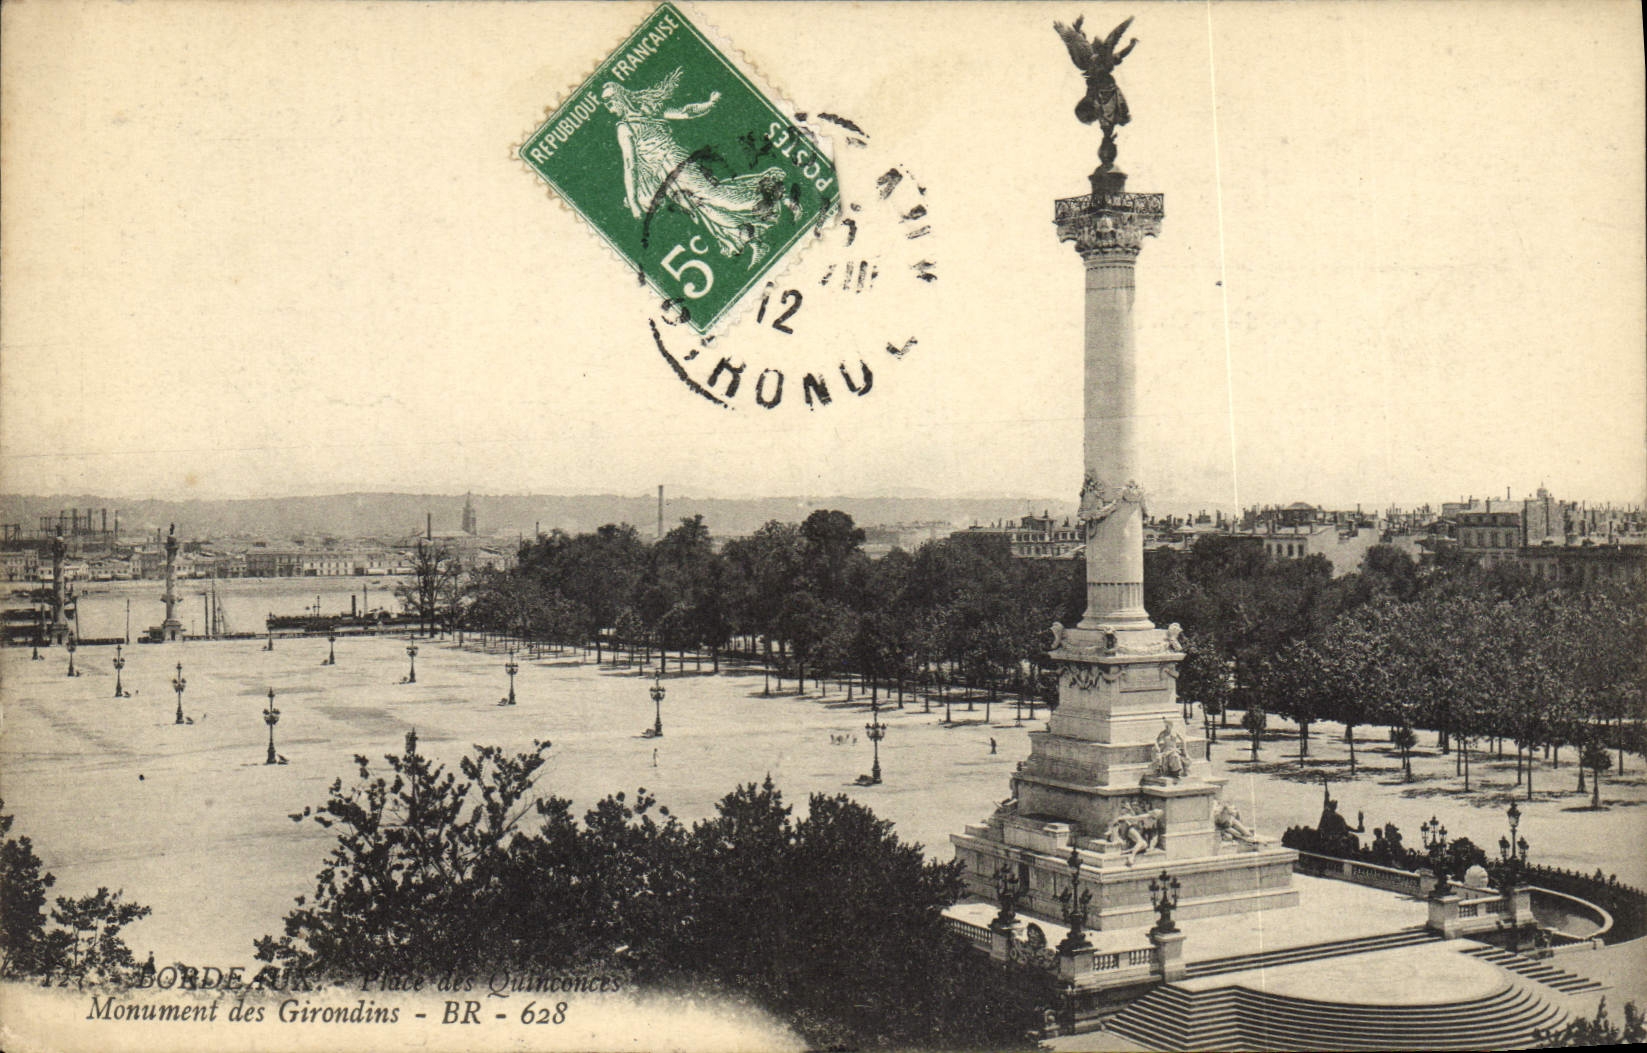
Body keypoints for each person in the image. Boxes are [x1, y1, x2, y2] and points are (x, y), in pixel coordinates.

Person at [602, 70, 790, 266]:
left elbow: (682, 113)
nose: (608, 106)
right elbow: (633, 164)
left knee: (714, 195)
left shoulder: (633, 121)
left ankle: (773, 194)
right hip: (665, 176)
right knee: (705, 210)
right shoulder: (634, 119)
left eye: (609, 100)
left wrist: (708, 105)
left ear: (621, 97)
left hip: (675, 164)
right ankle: (755, 242)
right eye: (605, 103)